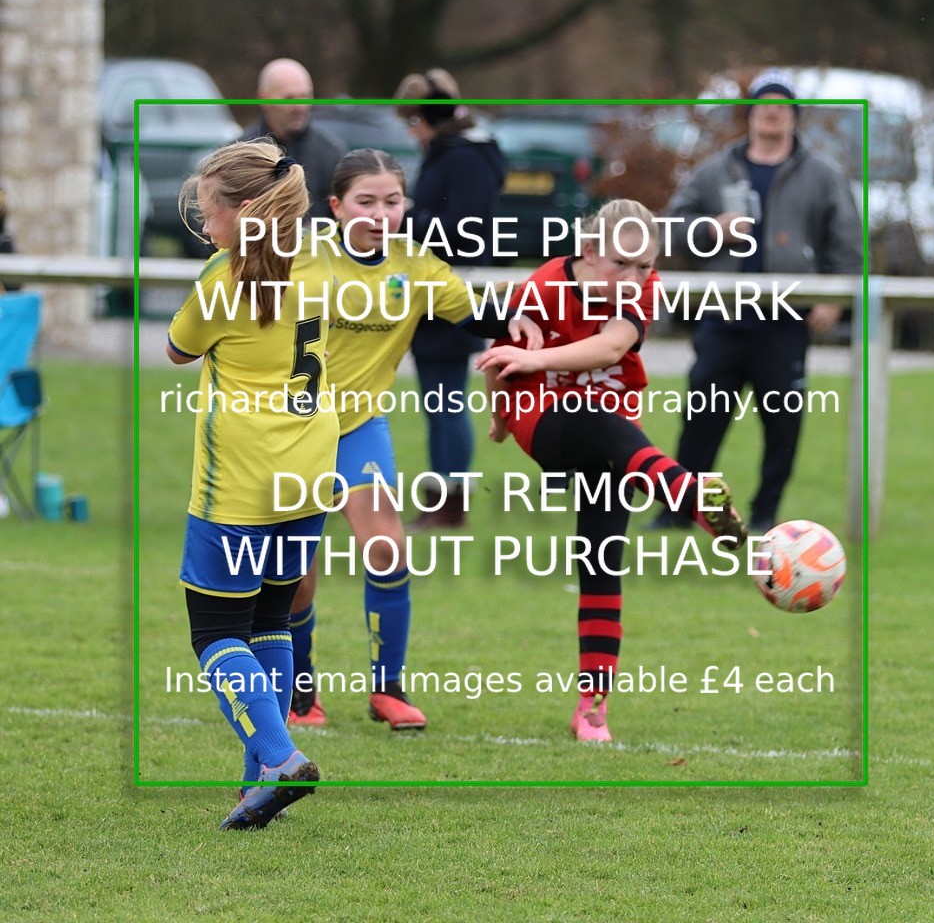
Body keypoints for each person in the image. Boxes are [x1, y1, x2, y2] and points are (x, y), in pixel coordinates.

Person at [476, 199, 748, 744]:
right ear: (588, 251)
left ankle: (592, 708)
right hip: (546, 419)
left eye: (644, 266)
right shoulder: (544, 285)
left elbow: (615, 344)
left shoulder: (644, 287)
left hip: (619, 438)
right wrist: (503, 415)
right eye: (620, 264)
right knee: (588, 412)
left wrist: (538, 360)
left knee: (602, 561)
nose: (634, 278)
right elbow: (500, 359)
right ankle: (689, 496)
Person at [286, 148, 540, 729]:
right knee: (297, 574)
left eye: (392, 201)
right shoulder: (302, 258)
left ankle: (388, 690)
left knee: (388, 551)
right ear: (336, 206)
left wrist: (514, 321)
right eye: (366, 201)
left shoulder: (415, 265)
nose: (380, 213)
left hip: (357, 430)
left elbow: (470, 310)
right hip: (292, 431)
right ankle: (302, 696)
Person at [167, 139, 338, 829]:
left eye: (210, 213)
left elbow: (177, 349)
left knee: (214, 630)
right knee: (269, 619)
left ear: (242, 211)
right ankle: (257, 784)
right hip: (310, 469)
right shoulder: (323, 261)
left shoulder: (223, 276)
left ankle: (277, 756)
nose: (206, 227)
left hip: (240, 477)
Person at [649, 69, 862, 534]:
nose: (772, 114)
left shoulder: (823, 175)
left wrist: (834, 299)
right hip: (723, 316)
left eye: (782, 107)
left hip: (785, 319)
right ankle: (680, 509)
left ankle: (767, 512)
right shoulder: (714, 170)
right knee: (702, 418)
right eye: (764, 105)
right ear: (749, 115)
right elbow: (670, 229)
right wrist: (711, 230)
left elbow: (846, 242)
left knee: (783, 426)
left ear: (794, 117)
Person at [392, 69, 508, 529]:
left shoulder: (462, 159)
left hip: (452, 292)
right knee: (440, 400)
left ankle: (449, 500)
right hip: (437, 289)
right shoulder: (462, 153)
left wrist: (406, 218)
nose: (412, 133)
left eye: (412, 122)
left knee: (446, 401)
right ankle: (443, 495)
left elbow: (462, 231)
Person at [241, 58, 346, 220]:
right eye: (289, 98)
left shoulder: (331, 154)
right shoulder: (241, 154)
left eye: (305, 96)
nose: (300, 107)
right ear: (263, 99)